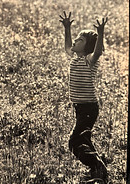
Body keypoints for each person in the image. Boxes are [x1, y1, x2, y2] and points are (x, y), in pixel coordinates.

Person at [59, 11, 108, 182]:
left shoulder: (89, 60)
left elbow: (98, 52)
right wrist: (67, 29)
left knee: (74, 142)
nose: (75, 41)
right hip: (80, 107)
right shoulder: (75, 58)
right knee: (83, 138)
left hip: (88, 107)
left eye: (80, 40)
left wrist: (100, 33)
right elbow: (67, 47)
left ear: (87, 47)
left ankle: (97, 167)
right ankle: (98, 168)